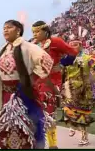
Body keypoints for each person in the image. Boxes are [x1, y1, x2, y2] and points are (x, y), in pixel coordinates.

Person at [0, 20, 55, 149]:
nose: (5, 30)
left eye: (9, 27)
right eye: (4, 28)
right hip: (8, 96)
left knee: (31, 126)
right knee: (8, 129)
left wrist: (33, 77)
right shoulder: (3, 49)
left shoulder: (27, 46)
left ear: (18, 30)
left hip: (24, 93)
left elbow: (46, 60)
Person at [31, 21, 78, 149]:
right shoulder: (33, 45)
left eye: (37, 31)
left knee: (49, 113)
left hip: (51, 83)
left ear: (45, 31)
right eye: (33, 32)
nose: (35, 34)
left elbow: (73, 52)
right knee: (35, 114)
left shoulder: (55, 41)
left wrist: (62, 63)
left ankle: (53, 145)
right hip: (36, 83)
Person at [59, 32, 95, 146]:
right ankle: (72, 126)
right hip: (69, 88)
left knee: (82, 113)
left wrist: (93, 80)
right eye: (70, 45)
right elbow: (61, 72)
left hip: (83, 89)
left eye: (75, 44)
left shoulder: (87, 58)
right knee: (66, 107)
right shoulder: (67, 59)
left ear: (81, 46)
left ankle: (84, 137)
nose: (72, 47)